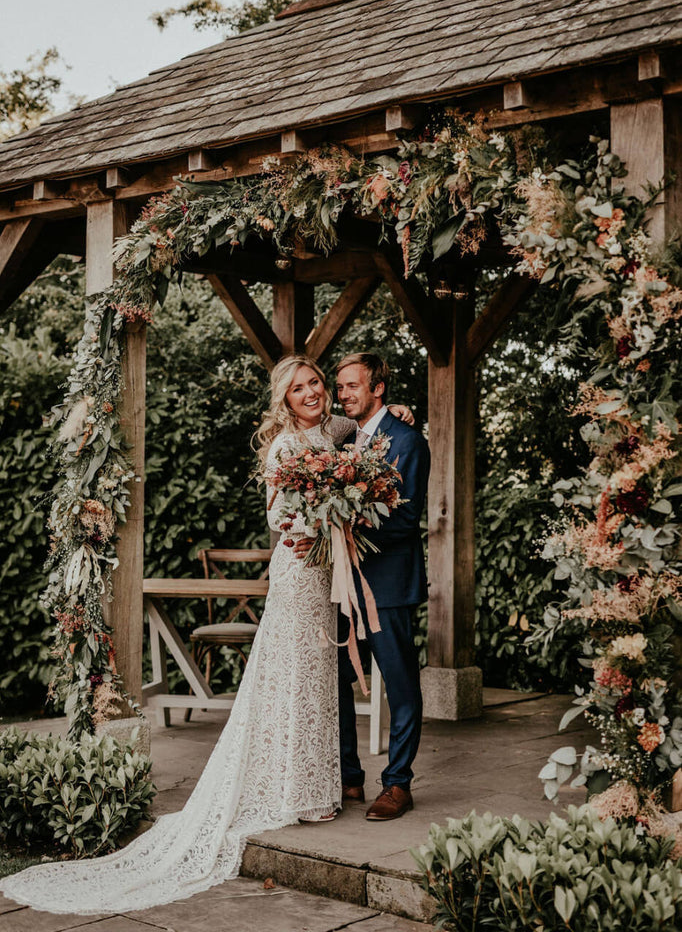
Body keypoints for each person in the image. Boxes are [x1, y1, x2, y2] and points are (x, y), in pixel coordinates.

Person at [0, 355, 413, 916]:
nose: (314, 392)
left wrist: (399, 413)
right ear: (284, 400)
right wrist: (324, 520)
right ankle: (289, 789)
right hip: (299, 574)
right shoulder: (285, 447)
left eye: (317, 382)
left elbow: (369, 429)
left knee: (320, 683)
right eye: (300, 388)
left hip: (329, 581)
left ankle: (320, 789)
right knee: (290, 677)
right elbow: (279, 520)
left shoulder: (335, 431)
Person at [296, 352, 429, 821]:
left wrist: (345, 524)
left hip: (389, 585)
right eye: (342, 386)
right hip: (341, 584)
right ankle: (349, 775)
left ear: (379, 389)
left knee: (400, 684)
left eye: (354, 386)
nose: (344, 394)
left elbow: (407, 518)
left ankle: (397, 784)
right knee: (336, 680)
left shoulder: (407, 440)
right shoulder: (342, 436)